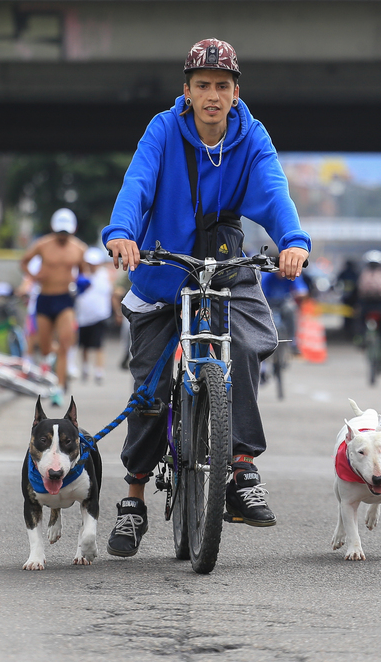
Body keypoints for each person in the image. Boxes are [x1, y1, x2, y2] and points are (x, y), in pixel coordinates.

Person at [101, 38, 311, 556]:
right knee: (149, 385)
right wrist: (123, 232)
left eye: (222, 86)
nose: (212, 95)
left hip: (222, 266)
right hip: (162, 266)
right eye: (202, 86)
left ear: (235, 93)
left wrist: (293, 242)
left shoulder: (251, 136)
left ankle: (240, 467)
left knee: (243, 343)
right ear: (187, 92)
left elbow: (274, 190)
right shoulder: (163, 129)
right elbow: (138, 182)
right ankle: (133, 500)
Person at [20, 209, 87, 389]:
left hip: (65, 299)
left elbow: (84, 270)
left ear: (73, 230)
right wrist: (33, 276)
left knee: (65, 342)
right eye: (60, 232)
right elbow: (24, 261)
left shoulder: (79, 248)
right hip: (45, 297)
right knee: (44, 347)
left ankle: (59, 386)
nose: (62, 236)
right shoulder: (43, 245)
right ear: (53, 229)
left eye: (65, 232)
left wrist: (81, 283)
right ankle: (53, 363)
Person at [75, 245, 114, 384]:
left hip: (100, 316)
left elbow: (111, 293)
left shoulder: (105, 275)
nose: (93, 266)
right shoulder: (81, 277)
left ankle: (99, 371)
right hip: (83, 317)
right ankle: (85, 368)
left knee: (98, 345)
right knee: (84, 345)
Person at [355, 250, 381, 365]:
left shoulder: (362, 273)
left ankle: (361, 340)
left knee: (360, 320)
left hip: (366, 305)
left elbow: (357, 291)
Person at [334, 259, 360, 341]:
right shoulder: (356, 273)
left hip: (346, 297)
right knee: (354, 315)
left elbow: (337, 282)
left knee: (346, 315)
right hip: (354, 298)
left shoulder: (344, 273)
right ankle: (353, 331)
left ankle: (347, 330)